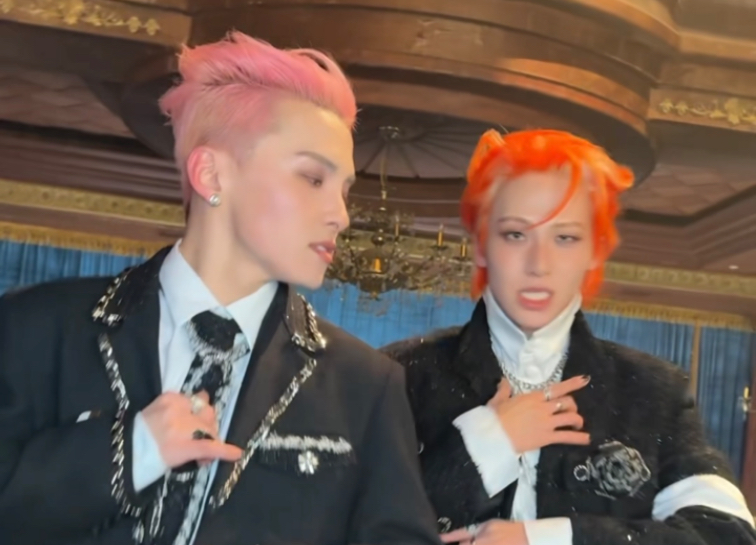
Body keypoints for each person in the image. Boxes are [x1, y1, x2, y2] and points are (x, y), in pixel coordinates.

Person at [0, 32, 440, 545]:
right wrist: (133, 451)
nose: (340, 216)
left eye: (344, 191)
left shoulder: (365, 385)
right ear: (210, 174)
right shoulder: (36, 327)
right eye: (312, 178)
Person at [383, 129, 756, 545]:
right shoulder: (397, 377)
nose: (539, 264)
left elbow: (728, 536)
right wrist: (482, 448)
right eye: (515, 234)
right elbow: (353, 527)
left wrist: (544, 538)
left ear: (594, 249)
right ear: (481, 244)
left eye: (565, 238)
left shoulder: (654, 391)